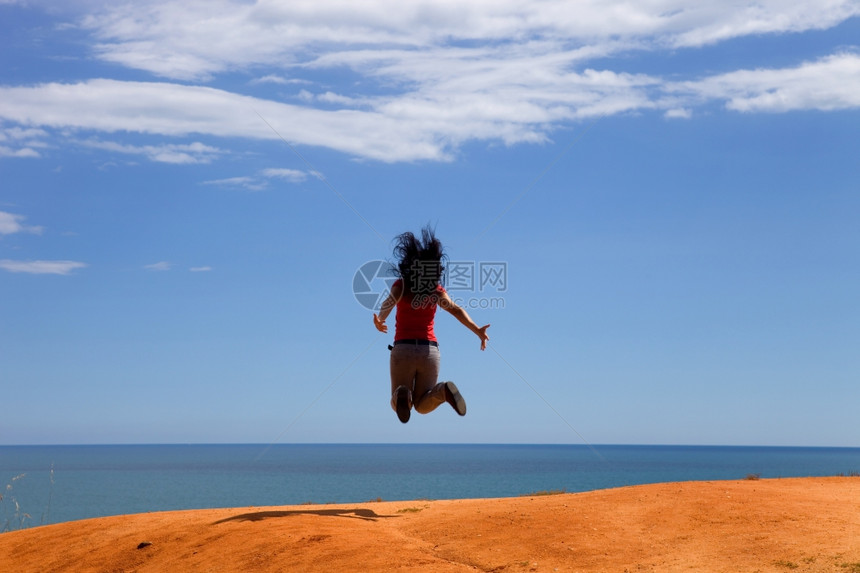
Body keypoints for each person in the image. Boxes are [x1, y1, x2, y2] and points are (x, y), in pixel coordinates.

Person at [373, 227, 490, 423]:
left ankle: (402, 394)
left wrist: (381, 319)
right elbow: (456, 310)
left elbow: (389, 302)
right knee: (422, 404)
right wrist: (477, 330)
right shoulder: (436, 290)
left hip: (403, 349)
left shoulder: (401, 285)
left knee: (398, 401)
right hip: (429, 352)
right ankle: (443, 391)